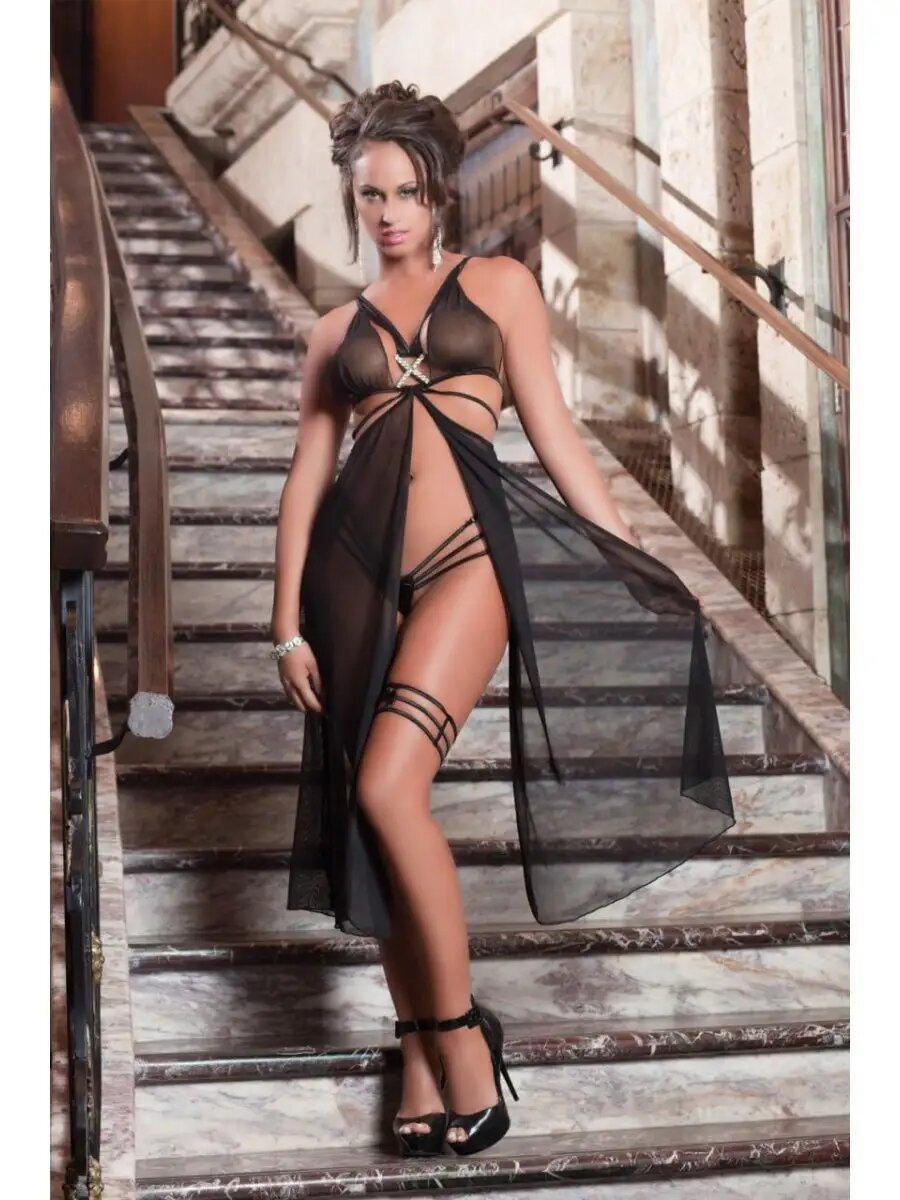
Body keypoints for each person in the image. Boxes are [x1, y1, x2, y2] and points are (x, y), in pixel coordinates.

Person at [270, 81, 734, 1158]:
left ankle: (461, 1035)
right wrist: (284, 625)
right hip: (352, 583)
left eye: (408, 191)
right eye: (371, 194)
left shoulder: (501, 286)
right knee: (367, 823)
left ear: (440, 192)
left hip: (469, 562)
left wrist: (627, 554)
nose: (389, 211)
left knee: (389, 788)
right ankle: (418, 1055)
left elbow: (558, 436)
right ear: (352, 200)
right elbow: (305, 480)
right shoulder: (334, 332)